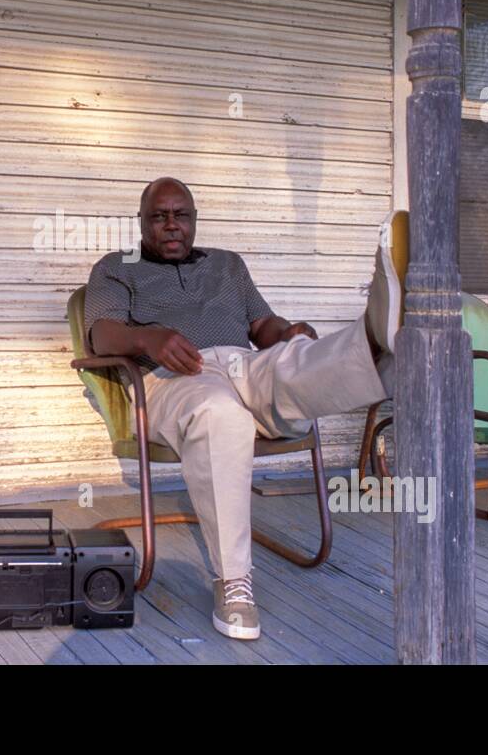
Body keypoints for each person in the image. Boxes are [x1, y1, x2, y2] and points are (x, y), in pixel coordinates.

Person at [84, 176, 407, 640]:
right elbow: (100, 334)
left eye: (182, 216)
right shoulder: (117, 267)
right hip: (172, 379)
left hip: (243, 365)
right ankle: (234, 582)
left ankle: (378, 339)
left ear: (194, 221)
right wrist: (147, 337)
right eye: (160, 216)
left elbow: (263, 325)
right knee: (222, 414)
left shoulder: (227, 265)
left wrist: (288, 332)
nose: (172, 225)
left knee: (293, 361)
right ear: (142, 221)